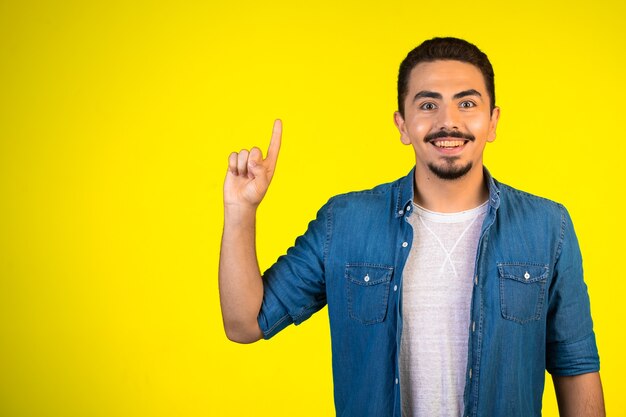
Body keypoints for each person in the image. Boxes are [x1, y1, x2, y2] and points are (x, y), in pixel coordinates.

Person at [219, 37, 604, 417]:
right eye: (428, 104)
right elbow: (244, 323)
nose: (448, 121)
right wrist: (241, 210)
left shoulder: (547, 227)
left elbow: (577, 369)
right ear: (403, 125)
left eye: (467, 103)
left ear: (493, 122)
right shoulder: (345, 223)